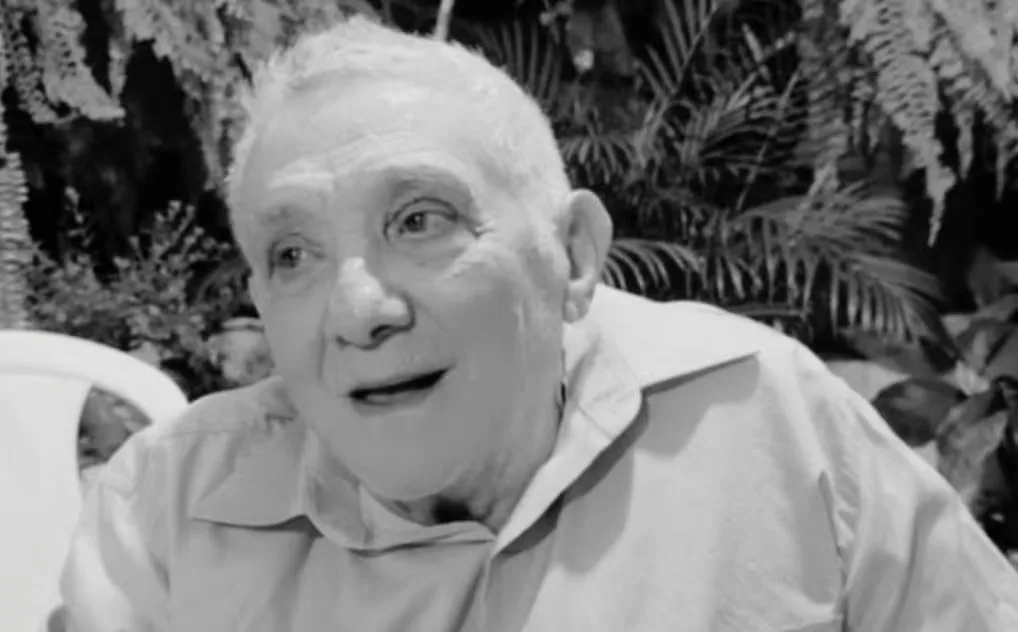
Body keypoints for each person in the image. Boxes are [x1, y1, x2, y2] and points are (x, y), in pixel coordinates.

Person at [58, 16, 1018, 632]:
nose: (357, 311)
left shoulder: (768, 420)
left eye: (419, 220)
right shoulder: (165, 513)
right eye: (293, 254)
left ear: (575, 255)